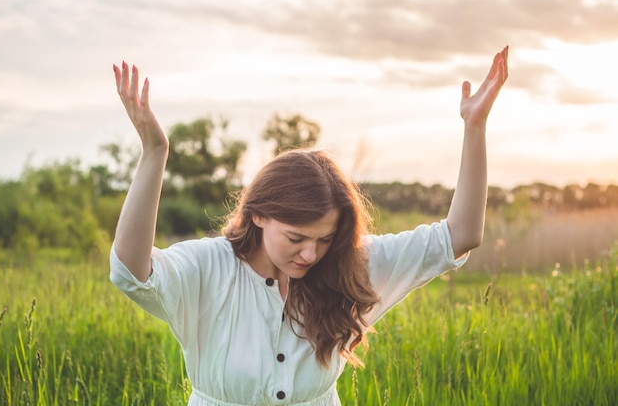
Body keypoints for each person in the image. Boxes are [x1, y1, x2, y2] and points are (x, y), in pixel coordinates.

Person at [110, 46, 508, 405]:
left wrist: (474, 127)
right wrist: (155, 153)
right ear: (258, 214)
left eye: (324, 239)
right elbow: (131, 271)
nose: (310, 254)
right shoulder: (208, 266)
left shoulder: (348, 264)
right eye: (296, 238)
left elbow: (460, 236)